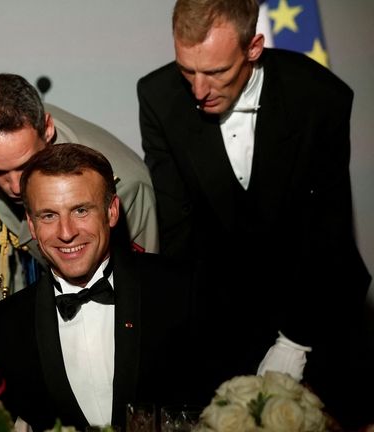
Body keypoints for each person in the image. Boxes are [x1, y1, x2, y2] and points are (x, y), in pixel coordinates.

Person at [137, 0, 371, 426]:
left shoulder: (320, 97)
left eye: (216, 72)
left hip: (317, 303)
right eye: (187, 70)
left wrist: (296, 342)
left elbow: (328, 230)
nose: (198, 90)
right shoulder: (157, 96)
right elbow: (179, 232)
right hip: (219, 310)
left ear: (254, 47)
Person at [0, 143, 204, 431]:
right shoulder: (4, 325)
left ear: (111, 212)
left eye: (81, 211)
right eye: (49, 215)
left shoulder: (179, 290)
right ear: (32, 226)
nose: (66, 232)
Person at [0, 73, 158, 301]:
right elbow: (3, 264)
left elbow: (145, 282)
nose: (14, 187)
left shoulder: (126, 185)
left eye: (24, 165)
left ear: (48, 129)